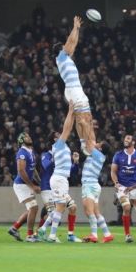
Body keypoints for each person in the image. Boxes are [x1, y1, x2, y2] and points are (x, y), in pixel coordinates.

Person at [38, 101, 82, 243]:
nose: (61, 134)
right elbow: (67, 127)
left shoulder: (63, 148)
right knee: (60, 207)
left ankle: (44, 229)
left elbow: (72, 170)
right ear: (55, 139)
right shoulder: (58, 145)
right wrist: (71, 111)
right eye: (58, 134)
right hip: (58, 179)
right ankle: (51, 235)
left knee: (62, 207)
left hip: (61, 179)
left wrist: (75, 161)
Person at [52, 16, 94, 156]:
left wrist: (77, 29)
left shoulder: (65, 58)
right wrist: (74, 26)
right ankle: (86, 144)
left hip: (74, 90)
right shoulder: (61, 57)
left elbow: (73, 43)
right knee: (84, 116)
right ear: (61, 49)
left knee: (82, 116)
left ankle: (83, 143)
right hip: (74, 89)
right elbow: (70, 41)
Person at [77, 116, 114, 243]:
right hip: (94, 186)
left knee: (89, 211)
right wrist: (84, 127)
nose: (97, 143)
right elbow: (86, 141)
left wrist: (85, 125)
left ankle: (94, 234)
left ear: (101, 148)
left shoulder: (97, 154)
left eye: (99, 143)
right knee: (96, 212)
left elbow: (88, 140)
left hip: (89, 185)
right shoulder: (98, 156)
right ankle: (107, 234)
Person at [111, 135, 136, 243]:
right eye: (125, 139)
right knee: (127, 207)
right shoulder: (118, 155)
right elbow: (113, 171)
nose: (125, 140)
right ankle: (127, 235)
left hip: (134, 187)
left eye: (128, 139)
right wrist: (116, 183)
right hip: (122, 187)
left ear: (133, 142)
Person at [37, 145, 80, 242]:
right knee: (55, 211)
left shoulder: (62, 157)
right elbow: (46, 166)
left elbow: (74, 171)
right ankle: (40, 233)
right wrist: (53, 159)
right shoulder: (46, 155)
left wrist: (76, 162)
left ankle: (70, 234)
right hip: (48, 187)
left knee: (72, 207)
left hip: (60, 186)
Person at [7, 133, 41, 242]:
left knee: (32, 209)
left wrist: (40, 183)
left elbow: (33, 170)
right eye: (26, 136)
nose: (29, 137)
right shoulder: (22, 152)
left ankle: (14, 228)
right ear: (21, 140)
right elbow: (21, 171)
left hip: (26, 184)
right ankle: (29, 235)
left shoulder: (31, 152)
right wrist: (32, 186)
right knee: (33, 207)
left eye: (29, 135)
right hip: (21, 185)